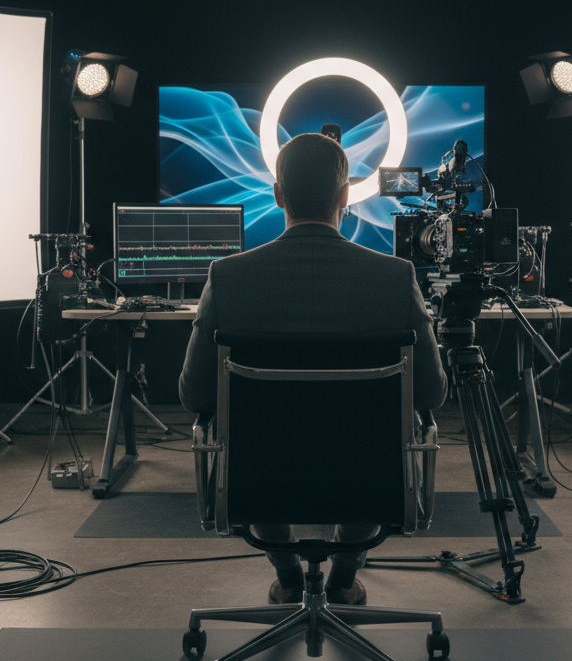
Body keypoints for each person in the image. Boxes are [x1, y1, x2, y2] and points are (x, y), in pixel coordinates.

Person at [179, 132, 448, 607]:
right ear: (344, 196)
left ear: (277, 194)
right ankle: (342, 579)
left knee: (250, 441)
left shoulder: (227, 277)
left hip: (259, 482)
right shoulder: (395, 276)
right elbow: (431, 394)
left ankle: (288, 577)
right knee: (374, 440)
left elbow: (194, 395)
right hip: (368, 480)